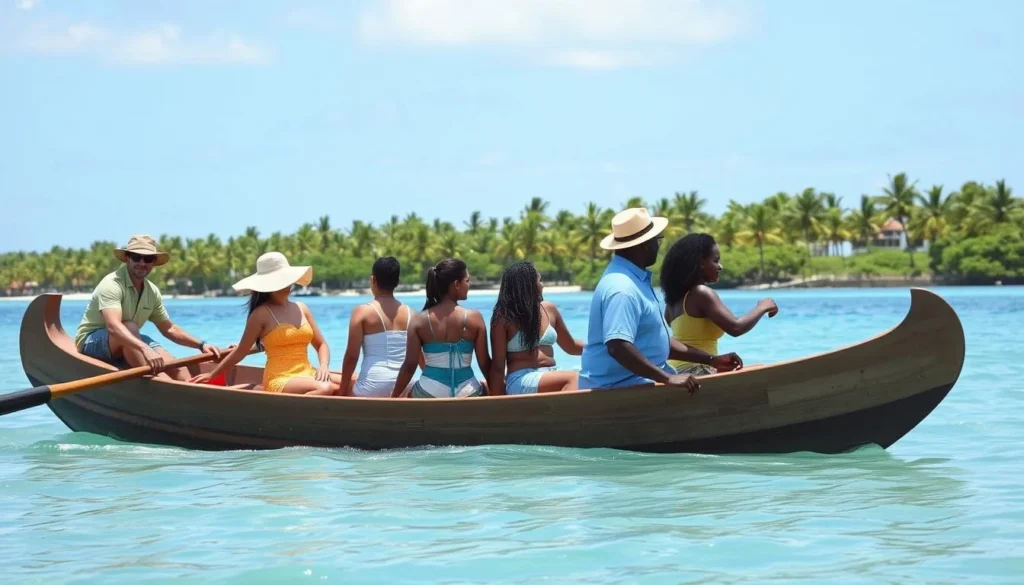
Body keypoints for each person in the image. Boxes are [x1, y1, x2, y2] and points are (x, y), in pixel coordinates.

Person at [577, 208, 743, 392]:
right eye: (657, 240)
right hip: (618, 390)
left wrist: (711, 360)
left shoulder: (634, 280)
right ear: (645, 245)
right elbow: (618, 346)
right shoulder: (622, 288)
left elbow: (656, 341)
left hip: (638, 382)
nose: (659, 245)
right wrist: (668, 378)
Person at [189, 252, 343, 395]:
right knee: (326, 387)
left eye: (287, 279)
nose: (287, 284)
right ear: (268, 286)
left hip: (307, 372)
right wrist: (212, 374)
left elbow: (321, 344)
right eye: (281, 280)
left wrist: (323, 366)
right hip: (280, 378)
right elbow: (241, 351)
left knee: (352, 382)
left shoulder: (302, 308)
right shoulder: (261, 314)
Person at [74, 234, 225, 380]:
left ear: (153, 262)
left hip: (131, 337)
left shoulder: (152, 291)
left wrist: (201, 345)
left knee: (177, 368)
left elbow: (169, 328)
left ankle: (191, 394)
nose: (142, 263)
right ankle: (161, 383)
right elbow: (113, 326)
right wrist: (144, 348)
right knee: (130, 327)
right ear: (127, 258)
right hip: (92, 341)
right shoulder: (111, 284)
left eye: (148, 258)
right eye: (136, 257)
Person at [660, 233, 778, 375]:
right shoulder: (701, 293)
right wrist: (763, 306)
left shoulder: (672, 302)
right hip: (696, 371)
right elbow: (736, 327)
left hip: (676, 371)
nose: (720, 266)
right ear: (702, 263)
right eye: (716, 261)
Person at [391, 258, 491, 398]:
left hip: (429, 390)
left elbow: (409, 365)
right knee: (485, 387)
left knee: (407, 395)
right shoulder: (475, 318)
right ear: (456, 284)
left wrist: (394, 396)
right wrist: (497, 392)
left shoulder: (419, 320)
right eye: (467, 281)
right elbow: (485, 363)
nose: (469, 285)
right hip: (468, 391)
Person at [488, 261, 583, 395]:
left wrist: (601, 347)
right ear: (529, 284)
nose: (542, 285)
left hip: (552, 373)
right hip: (521, 379)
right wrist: (498, 404)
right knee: (574, 377)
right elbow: (498, 367)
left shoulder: (548, 309)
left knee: (589, 375)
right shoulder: (503, 317)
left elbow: (571, 346)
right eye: (540, 280)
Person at [340, 257, 417, 397]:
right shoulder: (410, 313)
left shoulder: (362, 312)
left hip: (372, 387)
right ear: (397, 282)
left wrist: (342, 392)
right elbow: (418, 357)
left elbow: (352, 356)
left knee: (336, 384)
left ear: (373, 279)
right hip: (405, 386)